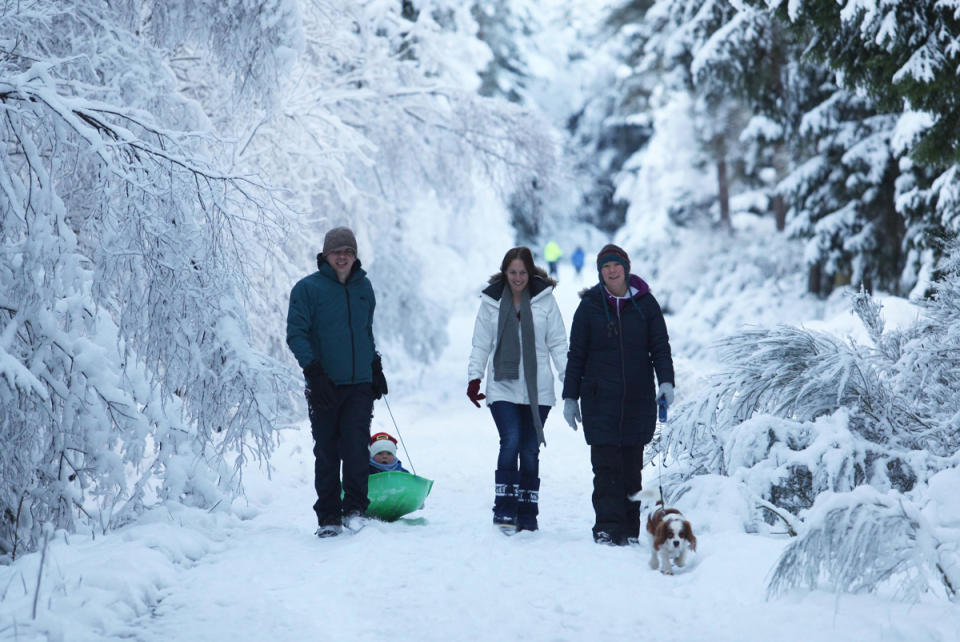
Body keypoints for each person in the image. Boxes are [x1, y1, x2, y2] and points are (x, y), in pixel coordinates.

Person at [561, 244, 675, 546]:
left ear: (626, 267)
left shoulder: (646, 304)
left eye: (616, 265)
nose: (611, 271)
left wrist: (666, 382)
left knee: (631, 471)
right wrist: (570, 396)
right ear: (600, 272)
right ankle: (606, 527)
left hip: (637, 399)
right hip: (599, 399)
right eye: (605, 267)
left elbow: (660, 347)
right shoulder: (589, 307)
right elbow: (576, 355)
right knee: (605, 468)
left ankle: (629, 528)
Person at [286, 226, 389, 538]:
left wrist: (375, 365)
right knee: (328, 451)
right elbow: (296, 334)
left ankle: (356, 510)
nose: (342, 257)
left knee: (356, 448)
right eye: (337, 251)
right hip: (324, 384)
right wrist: (314, 373)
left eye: (348, 251)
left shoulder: (364, 288)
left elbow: (365, 331)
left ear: (354, 255)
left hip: (359, 383)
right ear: (325, 255)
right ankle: (328, 516)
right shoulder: (308, 289)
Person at [467, 247, 568, 533]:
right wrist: (475, 378)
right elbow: (480, 343)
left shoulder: (545, 301)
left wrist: (568, 378)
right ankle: (505, 508)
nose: (518, 278)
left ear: (531, 272)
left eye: (523, 272)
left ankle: (527, 513)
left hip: (539, 389)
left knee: (530, 450)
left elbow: (558, 343)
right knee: (510, 440)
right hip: (503, 385)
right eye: (512, 272)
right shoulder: (491, 302)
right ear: (504, 272)